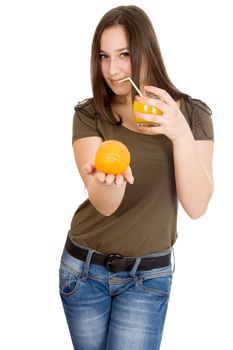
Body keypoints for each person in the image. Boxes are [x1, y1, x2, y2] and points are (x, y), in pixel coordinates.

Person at [59, 5, 214, 350]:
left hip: (148, 277)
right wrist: (106, 180)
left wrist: (178, 132)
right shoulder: (89, 114)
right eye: (103, 56)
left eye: (124, 54)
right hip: (83, 271)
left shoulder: (192, 113)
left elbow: (197, 205)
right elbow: (105, 204)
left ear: (146, 50)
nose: (112, 70)